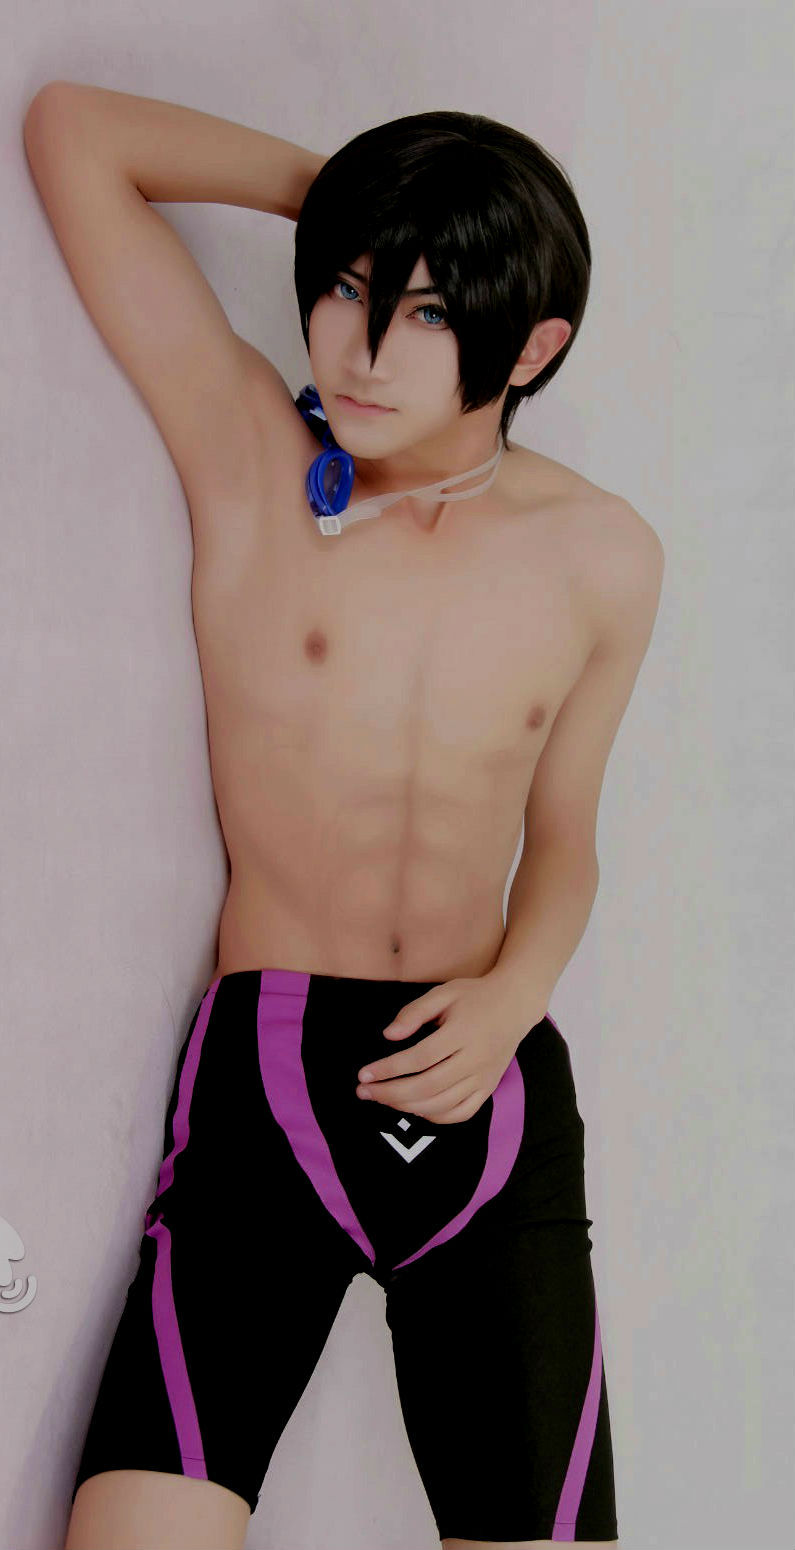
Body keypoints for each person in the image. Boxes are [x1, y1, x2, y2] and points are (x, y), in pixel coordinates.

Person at [24, 81, 664, 1550]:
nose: (363, 350)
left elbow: (567, 836)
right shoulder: (251, 454)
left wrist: (515, 992)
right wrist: (362, 200)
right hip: (270, 1082)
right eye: (347, 291)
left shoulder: (605, 556)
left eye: (430, 313)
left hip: (483, 1081)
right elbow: (72, 131)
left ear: (533, 345)